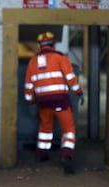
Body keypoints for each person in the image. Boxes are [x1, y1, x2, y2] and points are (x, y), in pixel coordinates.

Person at [24, 31, 84, 175]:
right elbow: (71, 78)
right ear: (53, 44)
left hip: (43, 102)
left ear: (39, 45)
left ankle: (42, 154)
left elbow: (28, 85)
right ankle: (66, 155)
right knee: (68, 129)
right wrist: (79, 92)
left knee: (45, 128)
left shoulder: (33, 61)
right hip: (60, 101)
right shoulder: (60, 58)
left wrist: (31, 101)